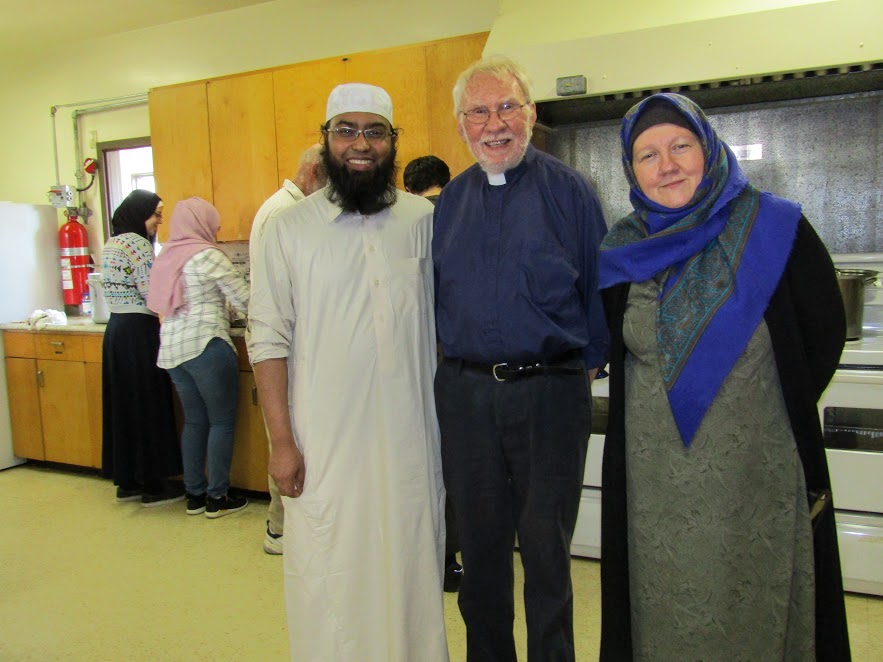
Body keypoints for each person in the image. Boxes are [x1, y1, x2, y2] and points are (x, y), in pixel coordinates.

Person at [598, 92, 851, 661]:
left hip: (753, 477)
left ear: (709, 150)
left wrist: (755, 409)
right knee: (658, 608)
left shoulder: (776, 227)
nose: (667, 165)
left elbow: (822, 333)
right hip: (652, 486)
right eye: (648, 155)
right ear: (631, 170)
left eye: (681, 146)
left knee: (753, 607)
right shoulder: (623, 249)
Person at [248, 83, 448, 661]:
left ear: (392, 143)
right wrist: (281, 442)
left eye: (375, 131)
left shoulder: (422, 219)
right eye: (347, 130)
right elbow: (266, 338)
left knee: (412, 562)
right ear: (326, 141)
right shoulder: (290, 228)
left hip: (411, 435)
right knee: (331, 568)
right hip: (325, 440)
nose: (361, 144)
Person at [432, 55, 608, 661]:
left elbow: (600, 295)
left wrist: (569, 376)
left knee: (546, 550)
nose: (494, 123)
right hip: (466, 396)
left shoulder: (572, 193)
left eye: (507, 106)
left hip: (549, 394)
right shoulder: (448, 206)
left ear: (530, 114)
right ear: (461, 124)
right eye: (478, 111)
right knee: (479, 552)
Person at [147, 197, 250, 519]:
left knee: (194, 421)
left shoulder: (167, 256)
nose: (216, 231)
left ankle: (194, 494)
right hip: (206, 345)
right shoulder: (207, 255)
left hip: (172, 349)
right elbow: (246, 299)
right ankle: (217, 498)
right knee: (221, 422)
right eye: (213, 225)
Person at [249, 143, 327, 555]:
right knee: (287, 438)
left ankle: (284, 527)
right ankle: (280, 530)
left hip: (290, 344)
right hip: (283, 347)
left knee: (292, 436)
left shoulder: (281, 207)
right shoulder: (287, 214)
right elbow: (277, 303)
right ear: (315, 172)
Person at [100, 189, 183, 506]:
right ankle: (154, 484)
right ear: (138, 214)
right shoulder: (137, 244)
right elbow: (154, 293)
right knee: (147, 403)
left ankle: (128, 480)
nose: (159, 222)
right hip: (138, 330)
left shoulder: (112, 243)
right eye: (156, 214)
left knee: (124, 406)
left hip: (117, 331)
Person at [404, 154, 463, 593]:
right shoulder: (461, 213)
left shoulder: (403, 223)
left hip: (413, 361)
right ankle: (452, 560)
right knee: (456, 468)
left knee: (421, 466)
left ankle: (428, 558)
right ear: (448, 180)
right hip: (458, 361)